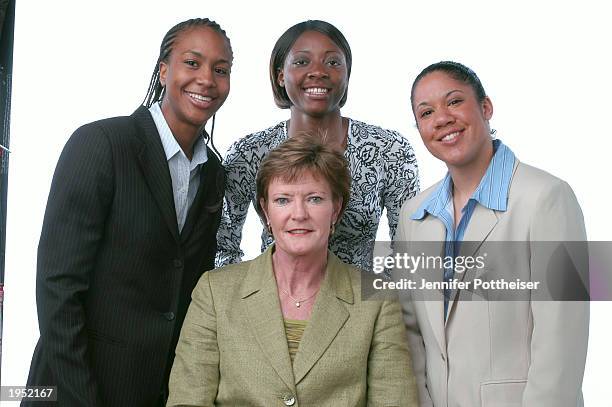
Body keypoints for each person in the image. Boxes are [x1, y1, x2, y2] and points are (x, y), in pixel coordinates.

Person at [23, 18, 232, 407]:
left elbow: (188, 289)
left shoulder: (214, 173)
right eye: (192, 63)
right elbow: (57, 288)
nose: (206, 79)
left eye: (220, 70)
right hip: (75, 389)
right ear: (164, 70)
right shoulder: (101, 143)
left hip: (156, 391)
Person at [167, 134, 418, 406]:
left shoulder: (378, 299)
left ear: (336, 209)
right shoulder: (214, 292)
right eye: (283, 200)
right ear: (265, 211)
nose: (298, 214)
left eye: (314, 199)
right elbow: (188, 400)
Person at [397, 61, 589, 406]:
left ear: (485, 107)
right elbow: (410, 334)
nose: (441, 119)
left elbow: (562, 339)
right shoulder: (414, 215)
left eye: (454, 101)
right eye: (426, 113)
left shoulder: (548, 198)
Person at [215, 20, 419, 272]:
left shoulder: (388, 149)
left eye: (332, 62)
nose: (318, 71)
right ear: (280, 75)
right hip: (274, 303)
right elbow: (222, 245)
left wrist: (379, 305)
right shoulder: (250, 152)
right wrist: (247, 301)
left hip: (361, 306)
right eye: (302, 62)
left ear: (347, 73)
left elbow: (410, 247)